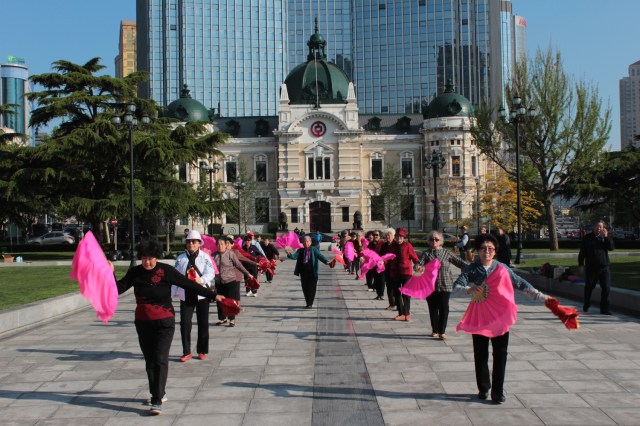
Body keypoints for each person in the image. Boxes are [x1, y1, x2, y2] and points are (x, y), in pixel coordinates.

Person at [110, 239, 224, 415]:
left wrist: (213, 296)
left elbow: (190, 285)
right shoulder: (135, 272)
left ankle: (156, 401)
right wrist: (110, 274)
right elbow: (117, 289)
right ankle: (159, 392)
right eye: (143, 258)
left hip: (164, 322)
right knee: (150, 360)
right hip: (143, 322)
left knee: (160, 358)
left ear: (156, 257)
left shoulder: (166, 271)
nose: (147, 262)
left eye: (150, 258)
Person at [453, 234, 549, 404]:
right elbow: (457, 286)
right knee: (480, 354)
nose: (487, 252)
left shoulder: (502, 268)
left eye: (490, 249)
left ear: (495, 252)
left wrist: (540, 296)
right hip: (480, 316)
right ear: (478, 251)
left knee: (500, 354)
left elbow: (519, 283)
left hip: (500, 316)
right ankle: (483, 387)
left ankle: (498, 392)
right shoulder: (472, 268)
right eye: (483, 248)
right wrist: (470, 289)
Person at [172, 230, 215, 362]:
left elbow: (211, 273)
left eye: (193, 241)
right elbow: (174, 277)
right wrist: (171, 294)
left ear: (199, 244)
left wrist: (201, 280)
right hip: (186, 295)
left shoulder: (205, 257)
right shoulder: (180, 259)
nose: (191, 244)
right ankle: (186, 351)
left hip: (201, 294)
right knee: (185, 323)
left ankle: (202, 350)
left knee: (203, 323)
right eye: (189, 241)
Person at [417, 231, 469, 339]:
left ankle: (442, 331)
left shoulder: (446, 253)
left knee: (444, 308)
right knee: (433, 308)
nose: (434, 241)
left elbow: (460, 262)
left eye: (436, 239)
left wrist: (474, 267)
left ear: (441, 241)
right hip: (430, 285)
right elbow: (419, 264)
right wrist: (417, 267)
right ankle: (435, 330)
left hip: (445, 283)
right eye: (431, 239)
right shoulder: (426, 253)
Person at [213, 236, 253, 327]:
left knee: (231, 301)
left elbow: (239, 265)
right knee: (220, 301)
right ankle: (222, 318)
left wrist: (247, 274)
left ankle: (232, 319)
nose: (220, 246)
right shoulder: (213, 255)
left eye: (222, 244)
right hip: (219, 282)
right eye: (218, 244)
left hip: (231, 281)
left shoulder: (230, 254)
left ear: (226, 245)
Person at [578, 219, 614, 314]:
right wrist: (581, 264)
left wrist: (606, 237)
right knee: (589, 287)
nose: (598, 228)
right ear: (593, 227)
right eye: (597, 226)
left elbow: (611, 247)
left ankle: (604, 309)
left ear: (603, 228)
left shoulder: (605, 238)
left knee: (606, 288)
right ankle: (586, 303)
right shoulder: (587, 238)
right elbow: (582, 253)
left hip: (604, 267)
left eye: (600, 227)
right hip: (592, 268)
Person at [286, 235, 330, 308]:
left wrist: (326, 261)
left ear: (310, 242)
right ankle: (307, 302)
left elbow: (320, 256)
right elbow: (294, 257)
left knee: (312, 288)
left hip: (313, 272)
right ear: (302, 243)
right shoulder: (300, 250)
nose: (306, 243)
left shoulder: (314, 249)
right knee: (305, 288)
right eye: (304, 241)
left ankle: (310, 303)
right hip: (303, 272)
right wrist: (289, 254)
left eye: (307, 241)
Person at [388, 227, 419, 321]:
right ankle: (401, 313)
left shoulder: (408, 246)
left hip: (406, 273)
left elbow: (415, 258)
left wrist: (417, 264)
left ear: (404, 237)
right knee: (396, 294)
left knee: (406, 294)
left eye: (401, 237)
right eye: (397, 237)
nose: (399, 239)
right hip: (395, 273)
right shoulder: (392, 246)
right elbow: (388, 258)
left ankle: (407, 313)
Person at [380, 228, 397, 310]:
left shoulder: (397, 244)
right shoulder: (384, 245)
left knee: (396, 287)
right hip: (387, 269)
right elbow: (381, 256)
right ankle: (392, 304)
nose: (388, 236)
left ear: (393, 235)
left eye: (389, 234)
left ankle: (398, 303)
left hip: (396, 269)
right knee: (389, 287)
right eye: (386, 235)